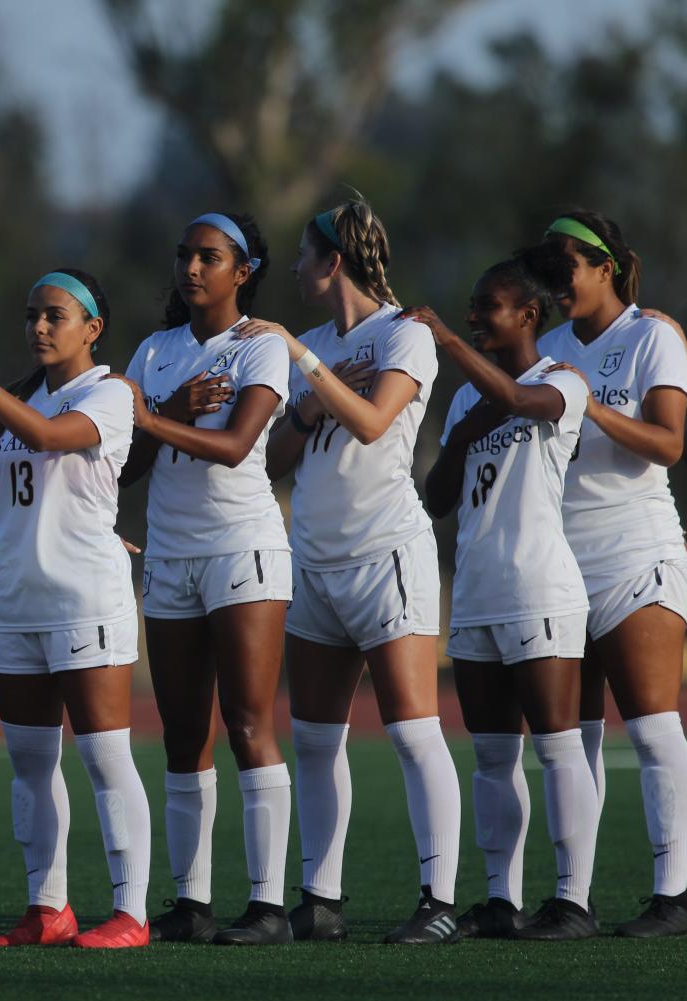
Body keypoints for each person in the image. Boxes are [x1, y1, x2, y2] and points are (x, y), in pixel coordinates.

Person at [236, 199, 462, 944]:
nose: (295, 269)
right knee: (312, 736)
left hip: (385, 553)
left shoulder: (405, 335)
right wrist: (306, 398)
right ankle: (320, 898)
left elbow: (371, 424)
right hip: (316, 560)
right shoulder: (310, 341)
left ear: (333, 260)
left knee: (411, 729)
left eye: (304, 255)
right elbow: (273, 458)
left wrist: (307, 369)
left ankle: (437, 902)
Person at [0, 268, 153, 950]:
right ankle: (47, 905)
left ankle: (131, 912)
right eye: (32, 315)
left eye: (55, 314)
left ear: (93, 328)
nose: (39, 326)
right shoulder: (22, 399)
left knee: (105, 756)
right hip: (18, 599)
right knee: (28, 762)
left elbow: (56, 441)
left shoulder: (109, 392)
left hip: (85, 598)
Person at [118, 212, 295, 946]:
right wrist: (156, 413)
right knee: (182, 733)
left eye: (209, 256)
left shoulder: (261, 346)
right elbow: (124, 465)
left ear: (241, 271)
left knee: (249, 724)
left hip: (240, 550)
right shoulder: (153, 350)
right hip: (169, 555)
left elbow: (233, 445)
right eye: (184, 253)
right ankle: (190, 902)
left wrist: (156, 419)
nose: (191, 267)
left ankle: (267, 906)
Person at [414, 259, 599, 940]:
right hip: (475, 594)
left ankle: (573, 901)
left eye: (484, 306)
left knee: (555, 746)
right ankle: (500, 899)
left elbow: (521, 403)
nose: (470, 318)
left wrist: (444, 341)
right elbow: (435, 498)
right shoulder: (466, 399)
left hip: (539, 586)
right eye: (466, 308)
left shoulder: (562, 381)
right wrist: (462, 431)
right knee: (492, 756)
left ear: (527, 314)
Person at [528, 211, 687, 937]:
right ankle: (572, 897)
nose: (555, 273)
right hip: (560, 562)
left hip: (635, 551)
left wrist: (585, 401)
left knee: (653, 727)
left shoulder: (651, 336)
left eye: (566, 260)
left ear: (605, 266)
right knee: (573, 737)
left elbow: (666, 443)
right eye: (547, 261)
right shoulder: (548, 347)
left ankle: (672, 895)